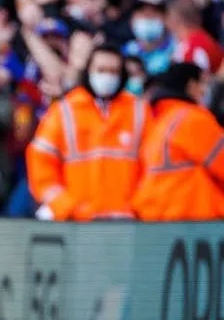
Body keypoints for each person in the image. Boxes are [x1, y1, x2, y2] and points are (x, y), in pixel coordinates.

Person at [25, 45, 148, 221]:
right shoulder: (65, 111)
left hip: (128, 222)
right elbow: (40, 165)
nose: (107, 76)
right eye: (101, 70)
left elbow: (152, 166)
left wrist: (138, 207)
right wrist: (66, 206)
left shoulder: (139, 111)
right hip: (77, 222)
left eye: (113, 71)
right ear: (88, 71)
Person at [133, 63, 224, 221]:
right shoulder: (193, 119)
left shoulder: (161, 122)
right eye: (203, 83)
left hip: (159, 219)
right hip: (196, 220)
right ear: (191, 86)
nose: (205, 90)